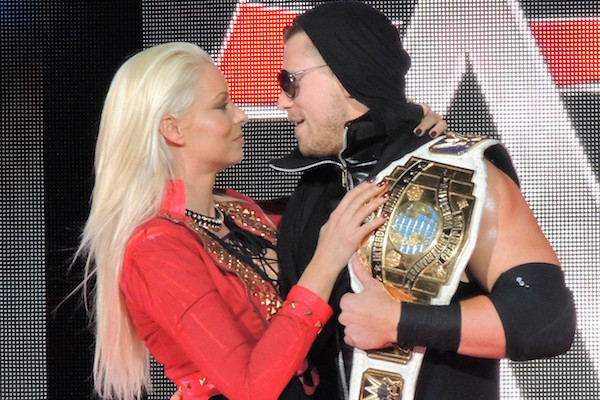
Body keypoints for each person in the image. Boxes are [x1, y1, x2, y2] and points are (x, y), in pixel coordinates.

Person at [269, 2, 576, 400]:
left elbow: (546, 316)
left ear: (345, 76)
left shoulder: (460, 174)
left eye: (290, 81)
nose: (281, 101)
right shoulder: (310, 193)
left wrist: (401, 321)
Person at [76, 41, 403, 400]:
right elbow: (251, 388)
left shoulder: (240, 211)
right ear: (173, 128)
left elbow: (338, 201)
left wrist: (408, 134)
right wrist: (325, 262)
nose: (241, 116)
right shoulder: (155, 249)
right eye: (221, 106)